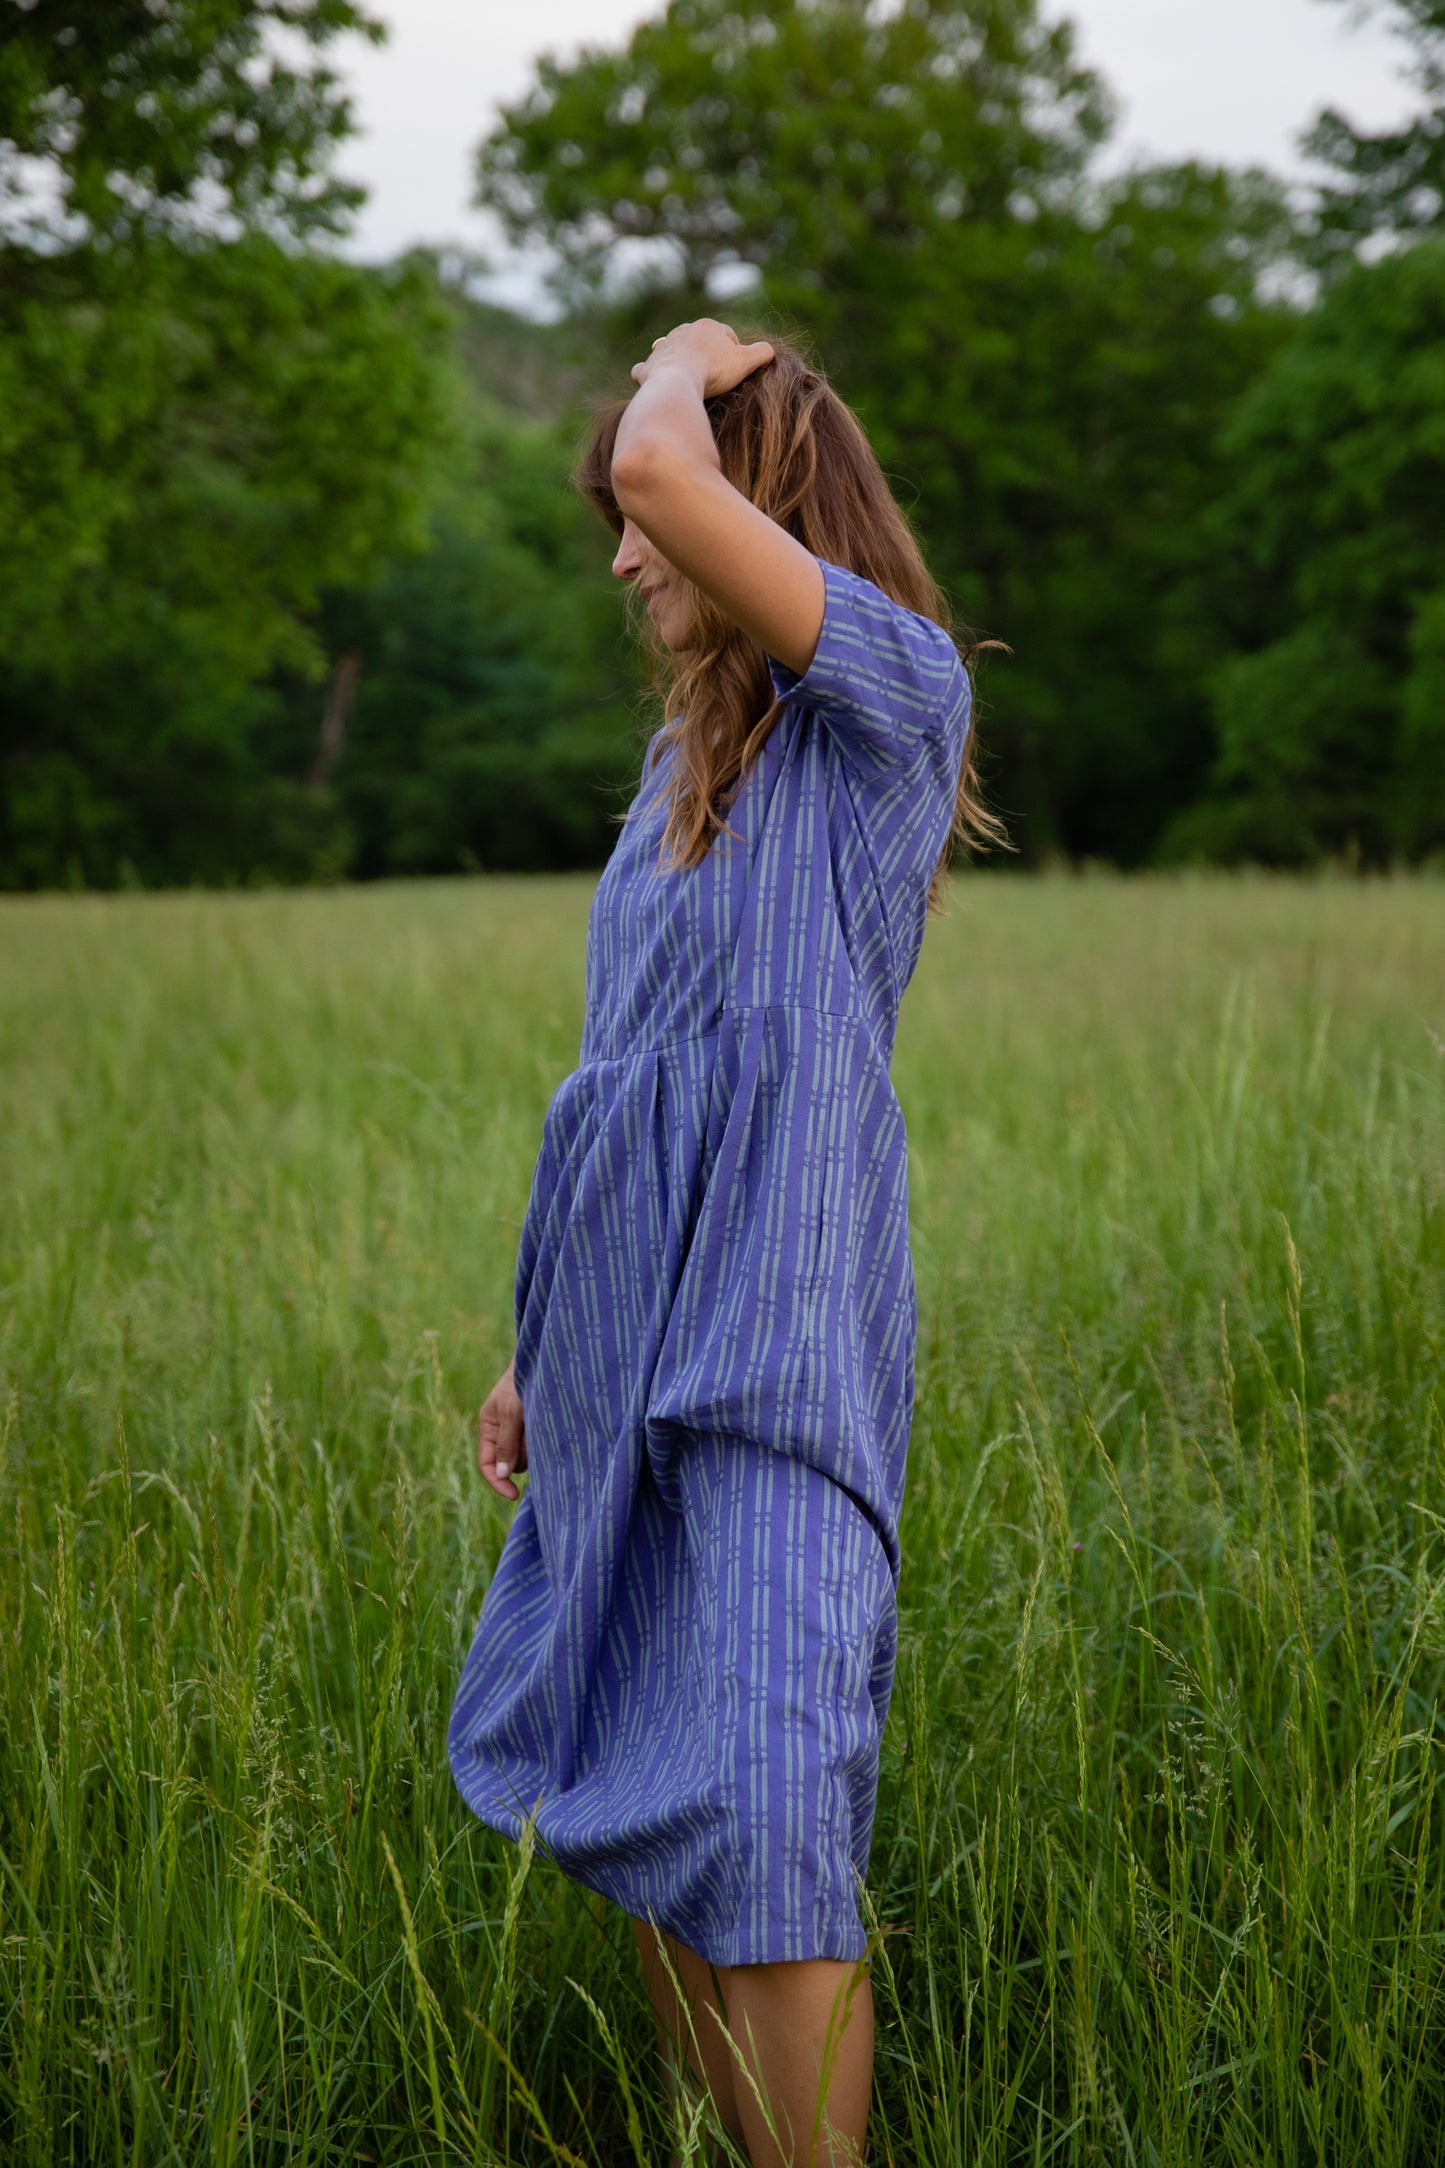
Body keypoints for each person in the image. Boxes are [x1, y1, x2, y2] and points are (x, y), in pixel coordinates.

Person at [449, 318, 1001, 2167]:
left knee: (767, 1797)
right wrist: (539, 1340)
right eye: (613, 511)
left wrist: (684, 362)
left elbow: (667, 470)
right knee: (649, 1792)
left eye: (637, 507)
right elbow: (614, 1084)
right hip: (621, 1345)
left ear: (744, 491)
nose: (622, 553)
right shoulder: (669, 802)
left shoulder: (894, 704)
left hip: (771, 1347)